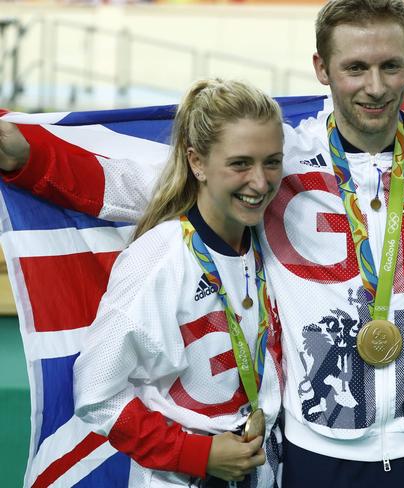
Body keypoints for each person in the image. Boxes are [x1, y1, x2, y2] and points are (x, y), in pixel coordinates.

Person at [0, 0, 404, 487]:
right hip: (321, 457)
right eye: (355, 67)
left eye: (390, 65)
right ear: (322, 68)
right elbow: (145, 183)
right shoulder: (280, 160)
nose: (374, 85)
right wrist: (28, 159)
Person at [71, 78, 284, 488]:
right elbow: (97, 394)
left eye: (272, 161)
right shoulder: (157, 259)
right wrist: (198, 455)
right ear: (197, 162)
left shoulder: (269, 243)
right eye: (240, 164)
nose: (260, 182)